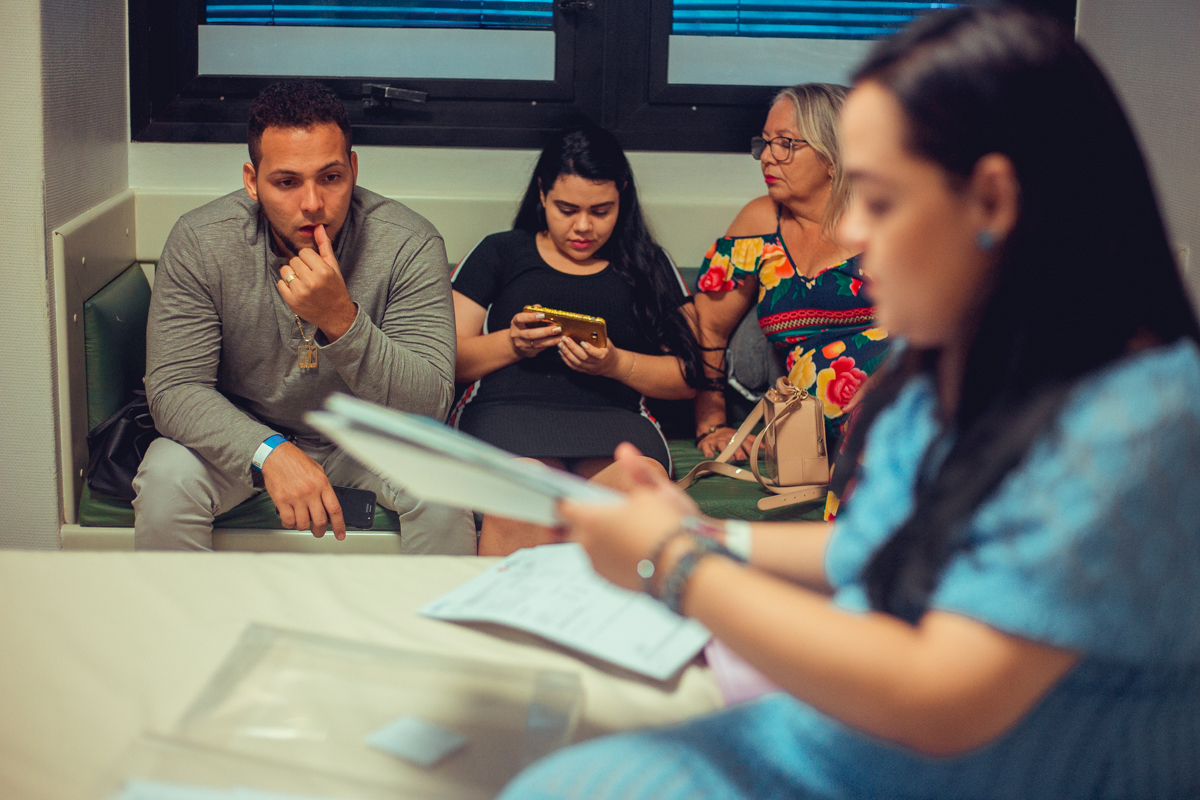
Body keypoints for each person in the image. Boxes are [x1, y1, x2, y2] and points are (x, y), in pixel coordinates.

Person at [500, 6, 1200, 798]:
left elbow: (939, 701)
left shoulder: (1141, 421)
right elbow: (872, 545)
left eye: (879, 199)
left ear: (993, 202)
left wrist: (675, 562)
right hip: (854, 738)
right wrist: (701, 530)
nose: (855, 234)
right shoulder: (936, 372)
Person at [134, 80, 475, 553]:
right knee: (165, 478)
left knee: (446, 486)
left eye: (330, 177)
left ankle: (434, 610)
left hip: (367, 439)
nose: (312, 203)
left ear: (353, 169)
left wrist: (340, 319)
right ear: (252, 181)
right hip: (247, 431)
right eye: (287, 182)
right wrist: (270, 453)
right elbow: (175, 389)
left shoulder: (408, 243)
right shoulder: (201, 240)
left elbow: (430, 403)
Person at [451, 124, 705, 553]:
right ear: (542, 193)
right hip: (507, 415)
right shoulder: (500, 252)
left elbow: (688, 375)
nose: (583, 227)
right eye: (566, 209)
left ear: (623, 196)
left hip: (616, 421)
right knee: (526, 493)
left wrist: (616, 364)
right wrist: (512, 343)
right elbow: (443, 359)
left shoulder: (647, 263)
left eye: (601, 211)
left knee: (641, 495)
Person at [693, 83, 890, 463]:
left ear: (835, 155)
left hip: (897, 397)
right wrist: (712, 422)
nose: (767, 157)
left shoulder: (887, 220)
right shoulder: (760, 224)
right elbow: (708, 327)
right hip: (812, 424)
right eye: (765, 143)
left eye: (785, 144)